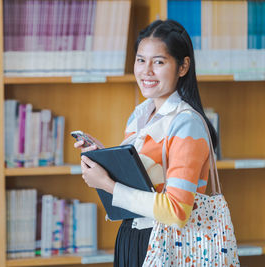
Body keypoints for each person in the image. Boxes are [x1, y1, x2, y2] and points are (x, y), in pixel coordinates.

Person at [73, 19, 218, 267]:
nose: (146, 71)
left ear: (183, 67)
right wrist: (105, 160)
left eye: (158, 62)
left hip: (168, 244)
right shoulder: (140, 116)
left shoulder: (186, 124)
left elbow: (177, 211)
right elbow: (142, 187)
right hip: (133, 237)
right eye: (141, 60)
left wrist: (108, 185)